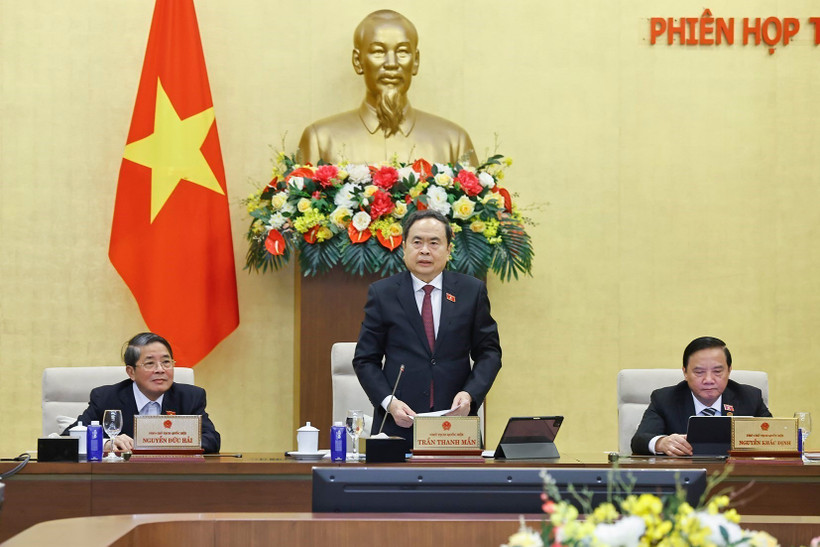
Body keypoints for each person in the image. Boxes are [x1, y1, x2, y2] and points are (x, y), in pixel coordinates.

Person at [352, 210, 502, 448]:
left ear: (449, 250)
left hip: (455, 423)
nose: (425, 250)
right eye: (417, 242)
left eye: (434, 243)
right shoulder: (383, 294)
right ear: (403, 248)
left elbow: (489, 353)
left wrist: (470, 395)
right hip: (399, 423)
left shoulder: (471, 292)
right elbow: (365, 359)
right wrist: (389, 402)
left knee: (459, 486)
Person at [298, 9, 478, 166]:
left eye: (402, 52)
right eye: (378, 51)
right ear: (358, 61)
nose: (391, 64)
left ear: (415, 62)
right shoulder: (320, 140)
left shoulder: (453, 142)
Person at [63, 332, 221, 453]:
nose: (160, 370)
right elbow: (68, 437)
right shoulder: (106, 398)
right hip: (121, 480)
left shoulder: (189, 397)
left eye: (166, 362)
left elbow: (212, 440)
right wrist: (106, 443)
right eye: (150, 363)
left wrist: (170, 441)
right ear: (131, 372)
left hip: (173, 478)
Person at [631, 336, 771, 456]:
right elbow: (639, 440)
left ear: (729, 370)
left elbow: (775, 437)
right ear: (685, 372)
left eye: (717, 371)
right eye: (699, 372)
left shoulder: (749, 397)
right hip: (685, 478)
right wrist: (661, 443)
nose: (708, 380)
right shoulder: (665, 399)